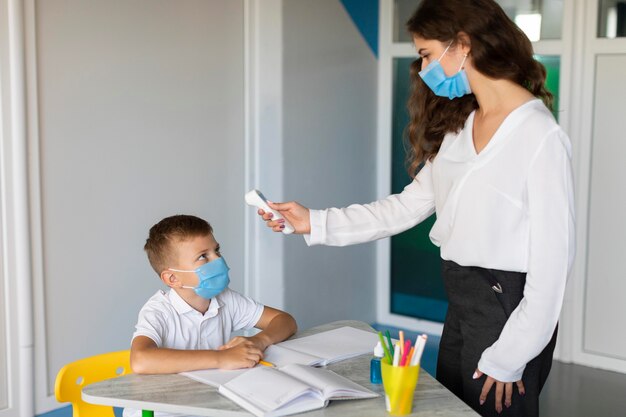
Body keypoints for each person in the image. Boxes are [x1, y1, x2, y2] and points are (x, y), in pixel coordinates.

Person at [257, 1, 574, 416]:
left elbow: (554, 263)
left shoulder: (539, 135)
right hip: (462, 296)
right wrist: (313, 222)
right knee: (450, 408)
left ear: (462, 44)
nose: (424, 69)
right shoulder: (461, 128)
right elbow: (405, 207)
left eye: (426, 53)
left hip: (508, 308)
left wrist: (511, 355)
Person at [126, 214, 297, 417]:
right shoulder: (159, 311)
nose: (217, 260)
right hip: (163, 411)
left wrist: (258, 341)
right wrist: (221, 358)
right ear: (172, 278)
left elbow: (285, 321)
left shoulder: (227, 299)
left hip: (208, 405)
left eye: (216, 251)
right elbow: (140, 360)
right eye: (203, 256)